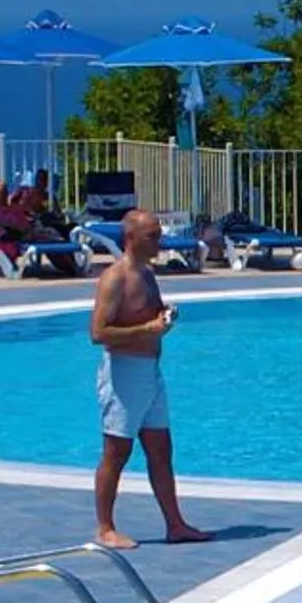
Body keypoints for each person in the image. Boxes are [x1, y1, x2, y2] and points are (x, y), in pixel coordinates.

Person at [89, 210, 209, 550]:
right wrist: (148, 329)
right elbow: (98, 333)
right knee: (117, 451)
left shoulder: (148, 274)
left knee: (160, 449)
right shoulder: (115, 278)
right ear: (131, 238)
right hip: (124, 373)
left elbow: (149, 314)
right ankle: (105, 527)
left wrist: (164, 316)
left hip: (150, 373)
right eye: (152, 236)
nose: (160, 241)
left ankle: (175, 523)